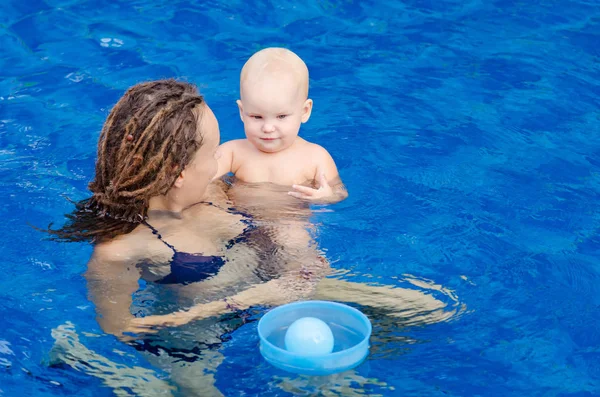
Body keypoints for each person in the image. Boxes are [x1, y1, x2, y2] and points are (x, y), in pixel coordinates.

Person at [49, 79, 462, 396]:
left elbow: (276, 229)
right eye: (213, 153)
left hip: (279, 289)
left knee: (430, 309)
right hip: (197, 332)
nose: (224, 157)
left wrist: (298, 257)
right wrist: (241, 302)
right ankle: (80, 359)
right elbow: (121, 329)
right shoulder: (119, 250)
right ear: (178, 174)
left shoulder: (214, 190)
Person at [216, 47, 348, 203]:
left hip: (290, 219)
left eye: (281, 116)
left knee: (293, 229)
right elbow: (199, 180)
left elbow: (339, 192)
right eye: (257, 117)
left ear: (304, 111)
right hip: (235, 219)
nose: (268, 128)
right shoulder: (232, 153)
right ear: (242, 112)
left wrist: (325, 196)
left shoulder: (316, 157)